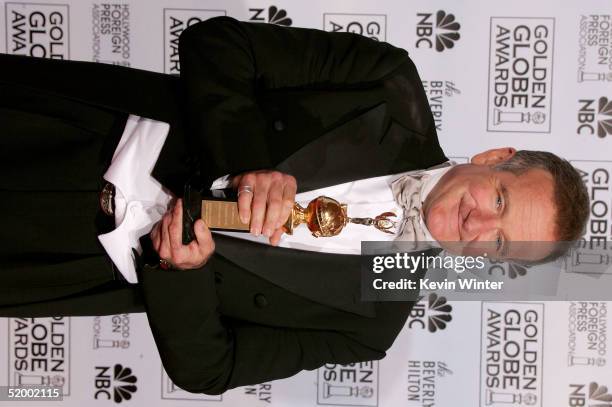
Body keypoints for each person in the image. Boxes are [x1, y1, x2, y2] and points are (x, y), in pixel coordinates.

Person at [0, 16, 589, 394]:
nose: (480, 224)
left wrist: (182, 275)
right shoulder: (386, 82)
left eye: (502, 241)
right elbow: (218, 44)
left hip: (60, 265)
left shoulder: (371, 327)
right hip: (72, 128)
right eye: (500, 198)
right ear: (492, 158)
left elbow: (211, 369)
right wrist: (247, 159)